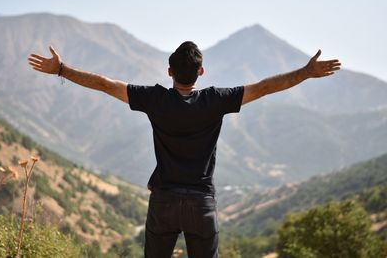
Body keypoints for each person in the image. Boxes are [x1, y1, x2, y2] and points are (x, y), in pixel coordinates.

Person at [28, 41, 340, 258]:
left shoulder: (155, 99)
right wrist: (305, 72)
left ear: (169, 71)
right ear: (200, 73)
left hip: (164, 201)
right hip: (202, 203)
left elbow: (107, 85)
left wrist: (62, 70)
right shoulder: (216, 99)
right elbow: (264, 87)